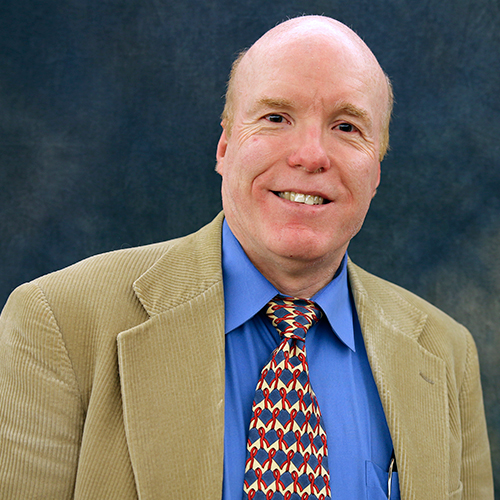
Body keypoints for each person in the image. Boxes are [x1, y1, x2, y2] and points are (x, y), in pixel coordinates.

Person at [0, 15, 493, 500]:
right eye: (276, 118)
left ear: (376, 171)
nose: (310, 155)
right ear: (224, 146)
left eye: (346, 126)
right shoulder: (59, 322)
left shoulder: (447, 353)